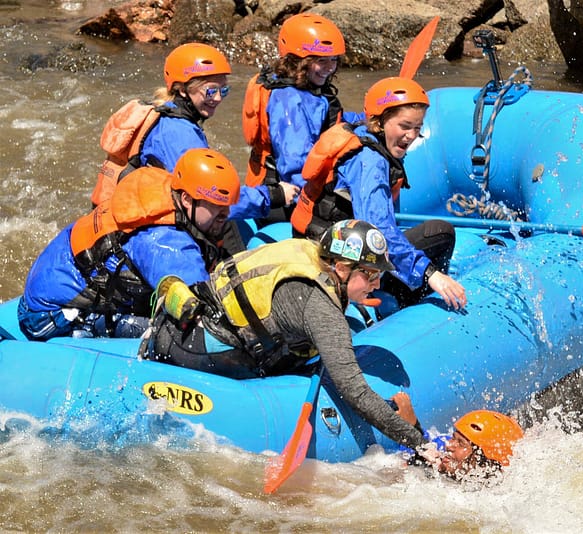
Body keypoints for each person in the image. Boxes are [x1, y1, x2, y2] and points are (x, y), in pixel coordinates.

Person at [140, 219, 427, 448]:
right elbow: (355, 392)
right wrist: (417, 439)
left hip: (184, 326)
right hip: (195, 350)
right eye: (371, 275)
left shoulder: (310, 255)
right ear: (340, 268)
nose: (376, 285)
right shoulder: (320, 308)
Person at [18, 148, 242, 341]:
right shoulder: (168, 245)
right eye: (216, 206)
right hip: (48, 316)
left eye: (227, 206)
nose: (226, 214)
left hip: (48, 282)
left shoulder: (159, 187)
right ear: (186, 199)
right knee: (169, 334)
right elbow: (208, 315)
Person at [291, 76, 467, 310]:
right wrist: (430, 273)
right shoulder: (371, 161)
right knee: (442, 232)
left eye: (417, 127)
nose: (412, 135)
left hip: (323, 241)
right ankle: (413, 304)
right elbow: (379, 231)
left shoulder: (361, 132)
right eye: (405, 126)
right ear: (379, 122)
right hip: (338, 257)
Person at [90, 42, 295, 220]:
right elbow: (212, 199)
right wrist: (273, 195)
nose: (218, 98)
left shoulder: (167, 113)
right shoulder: (178, 134)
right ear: (182, 89)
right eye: (210, 90)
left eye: (223, 90)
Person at [241, 12, 363, 221]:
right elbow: (295, 166)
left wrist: (364, 120)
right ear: (297, 60)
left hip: (301, 185)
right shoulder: (287, 102)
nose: (330, 68)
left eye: (333, 60)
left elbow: (328, 122)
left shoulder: (309, 88)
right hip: (286, 198)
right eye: (321, 61)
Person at [391, 392, 524, 480]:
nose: (449, 445)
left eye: (461, 444)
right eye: (454, 438)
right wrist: (411, 425)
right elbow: (424, 446)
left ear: (483, 463)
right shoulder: (443, 449)